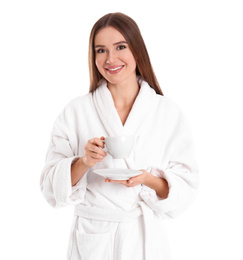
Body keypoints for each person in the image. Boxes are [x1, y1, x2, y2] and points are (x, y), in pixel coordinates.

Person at [40, 12, 199, 260]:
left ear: (137, 50)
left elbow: (186, 190)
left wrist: (147, 179)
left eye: (120, 47)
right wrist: (84, 161)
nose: (110, 59)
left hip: (143, 240)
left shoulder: (167, 112)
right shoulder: (76, 110)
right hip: (92, 240)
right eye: (101, 50)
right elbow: (50, 188)